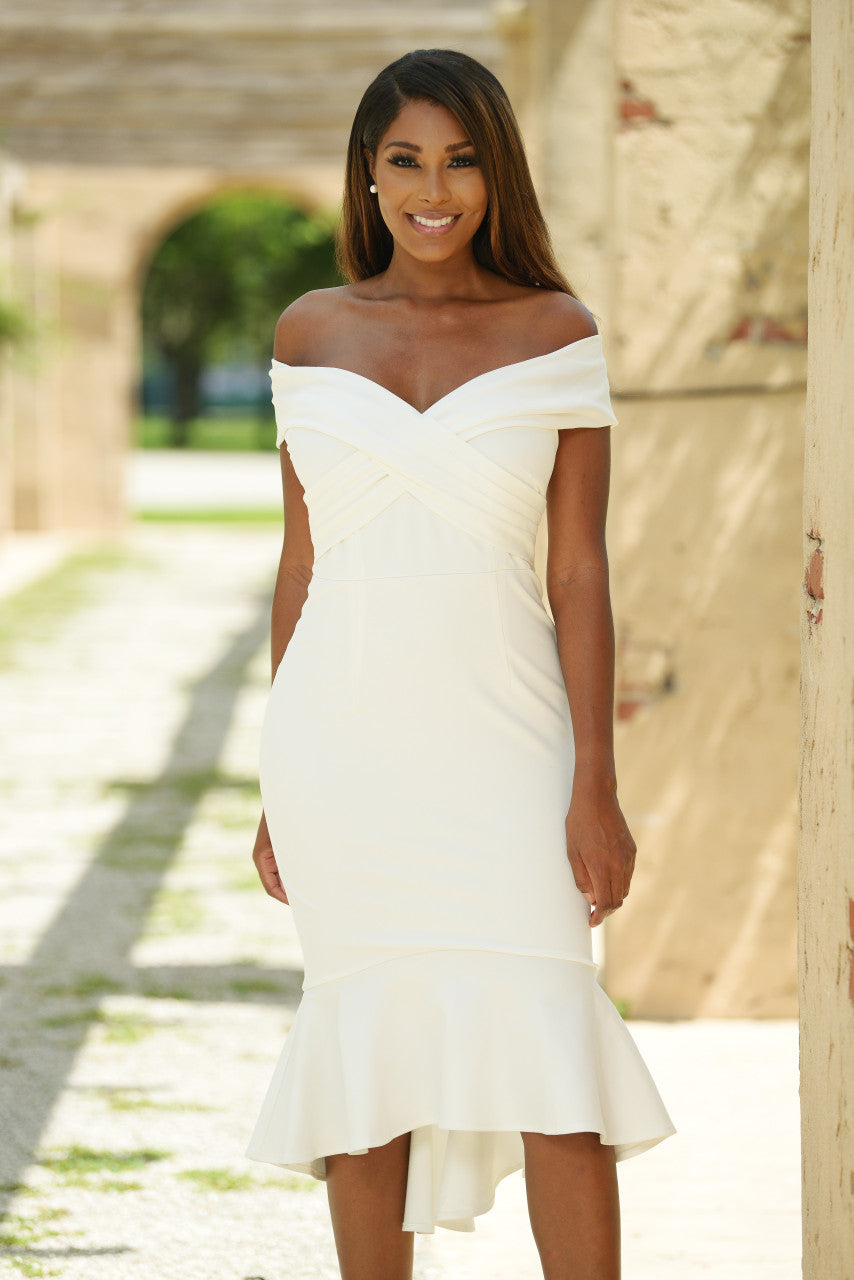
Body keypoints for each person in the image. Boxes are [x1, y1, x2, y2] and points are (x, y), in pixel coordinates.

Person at [247, 47, 674, 1280]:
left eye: (462, 159)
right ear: (367, 177)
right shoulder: (308, 332)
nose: (434, 188)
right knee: (363, 1067)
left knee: (553, 1063)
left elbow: (579, 573)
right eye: (405, 160)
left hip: (508, 738)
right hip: (339, 745)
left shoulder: (555, 331)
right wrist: (276, 781)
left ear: (496, 174)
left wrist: (594, 781)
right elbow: (298, 567)